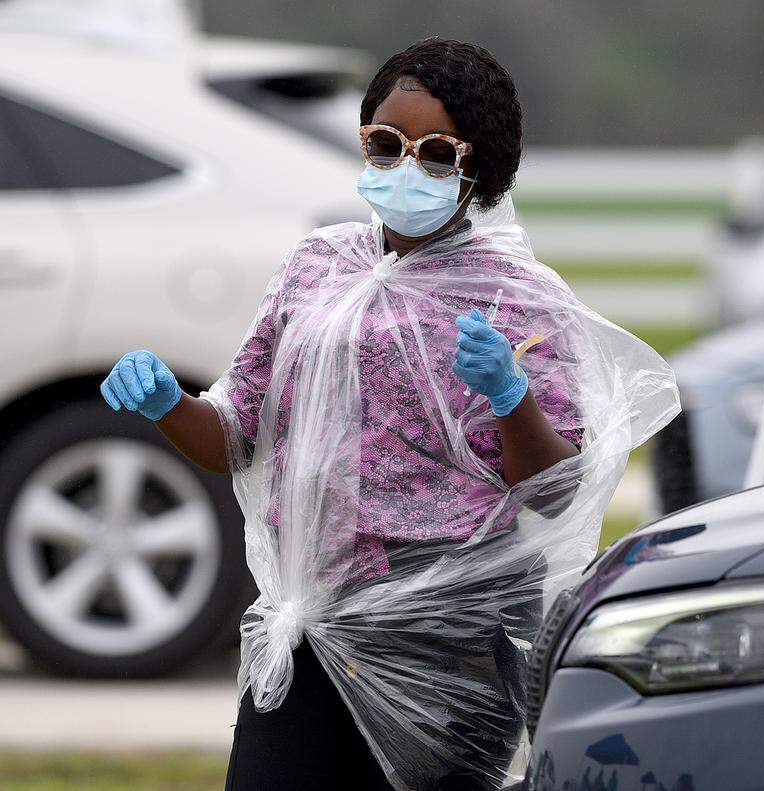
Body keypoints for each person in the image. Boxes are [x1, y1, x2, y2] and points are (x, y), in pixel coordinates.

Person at [100, 37, 678, 791]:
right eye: (384, 143)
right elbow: (234, 435)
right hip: (309, 623)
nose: (407, 168)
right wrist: (169, 405)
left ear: (482, 168)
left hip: (449, 635)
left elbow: (555, 489)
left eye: (437, 153)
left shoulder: (520, 298)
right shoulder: (316, 266)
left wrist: (512, 397)